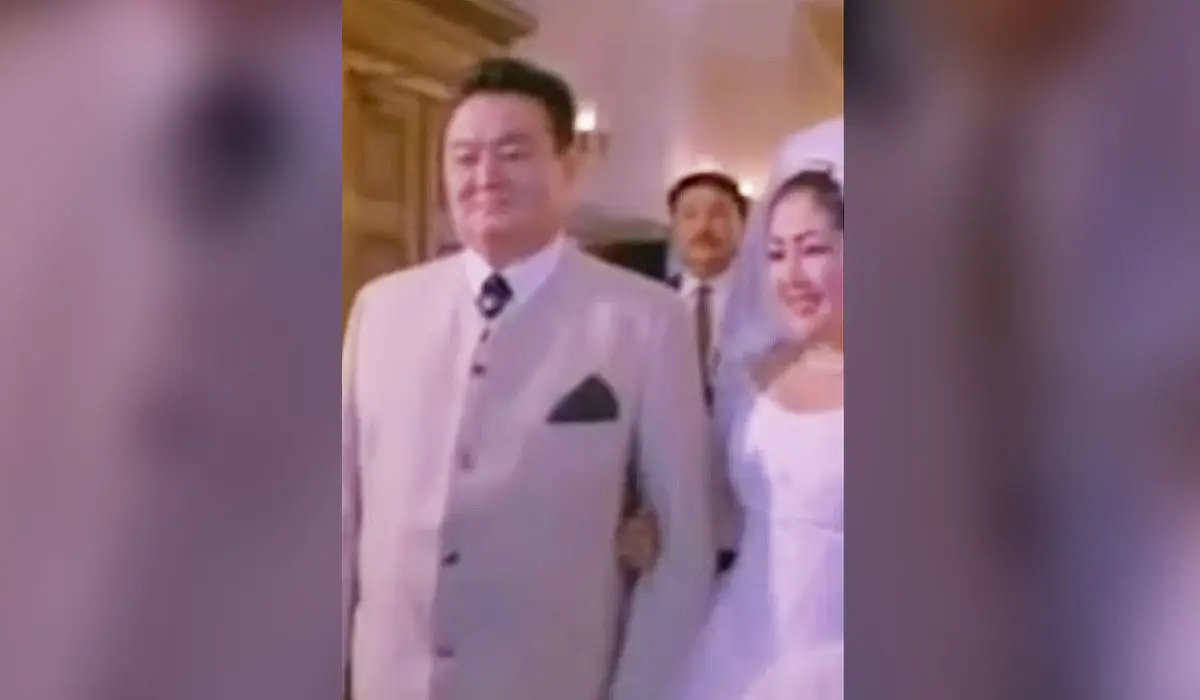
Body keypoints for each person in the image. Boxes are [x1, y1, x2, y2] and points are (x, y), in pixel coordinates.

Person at [342, 57, 716, 700]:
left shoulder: (645, 320)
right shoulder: (381, 308)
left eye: (512, 153)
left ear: (569, 166)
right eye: (464, 157)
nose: (484, 175)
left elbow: (683, 551)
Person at [670, 123, 845, 699]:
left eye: (814, 250)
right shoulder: (749, 376)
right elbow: (708, 499)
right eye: (775, 253)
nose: (791, 276)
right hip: (738, 643)